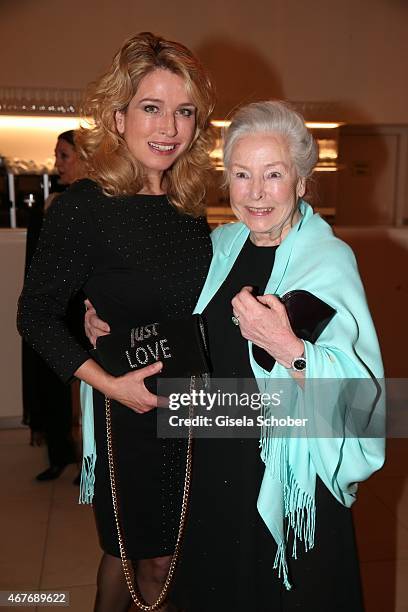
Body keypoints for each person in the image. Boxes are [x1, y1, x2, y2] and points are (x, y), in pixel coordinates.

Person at [86, 101, 385, 611]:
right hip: (212, 468)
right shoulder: (221, 245)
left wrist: (287, 347)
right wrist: (103, 323)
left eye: (274, 174)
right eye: (242, 174)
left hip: (287, 480)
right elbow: (171, 316)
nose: (257, 192)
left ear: (301, 183)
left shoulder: (327, 261)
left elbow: (363, 406)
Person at [17, 32, 215, 612]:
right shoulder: (85, 206)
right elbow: (34, 314)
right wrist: (108, 385)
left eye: (184, 112)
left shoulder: (186, 205)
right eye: (152, 109)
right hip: (131, 406)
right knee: (140, 557)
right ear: (118, 115)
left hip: (195, 404)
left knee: (176, 553)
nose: (169, 128)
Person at [22, 130, 86, 481]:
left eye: (64, 156)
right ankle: (60, 453)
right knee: (52, 377)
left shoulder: (95, 203)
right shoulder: (54, 203)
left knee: (86, 382)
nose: (57, 164)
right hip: (56, 307)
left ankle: (88, 458)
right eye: (57, 155)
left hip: (84, 307)